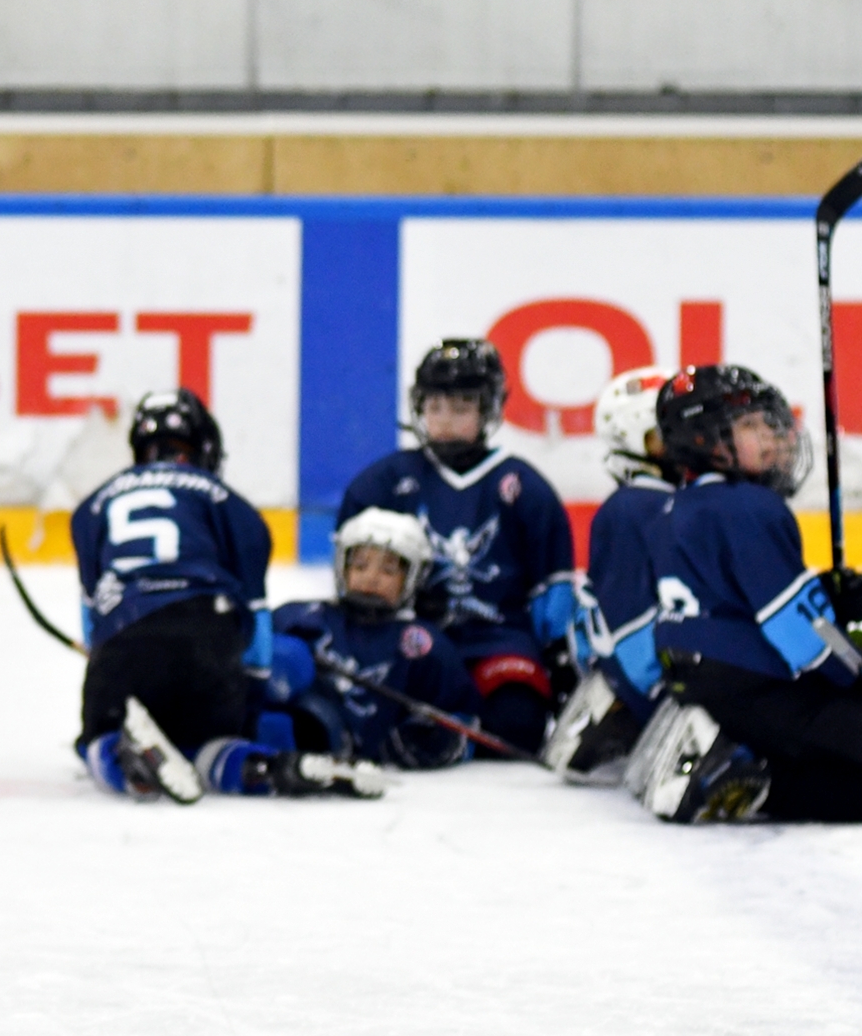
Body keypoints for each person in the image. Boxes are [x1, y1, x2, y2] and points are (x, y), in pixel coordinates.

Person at [71, 389, 384, 802]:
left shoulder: (91, 507)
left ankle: (124, 754)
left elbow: (93, 621)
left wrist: (109, 665)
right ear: (206, 450)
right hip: (208, 628)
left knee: (94, 738)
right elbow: (255, 617)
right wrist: (246, 696)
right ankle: (267, 766)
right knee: (212, 740)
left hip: (125, 633)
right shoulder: (229, 503)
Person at [634, 364, 862, 823]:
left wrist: (824, 590)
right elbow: (802, 635)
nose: (773, 438)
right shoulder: (750, 506)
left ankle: (743, 767)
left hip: (697, 680)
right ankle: (732, 772)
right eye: (751, 426)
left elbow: (727, 597)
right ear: (703, 440)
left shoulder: (673, 507)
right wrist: (853, 670)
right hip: (760, 685)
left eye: (769, 424)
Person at [338, 339, 577, 754]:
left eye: (461, 409)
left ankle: (450, 739)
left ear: (488, 411)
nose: (445, 421)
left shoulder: (523, 487)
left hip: (497, 644)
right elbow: (351, 576)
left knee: (516, 725)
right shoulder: (383, 482)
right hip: (410, 641)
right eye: (435, 408)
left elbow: (551, 592)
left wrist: (557, 664)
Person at [267, 507, 482, 768]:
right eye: (359, 565)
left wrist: (435, 740)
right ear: (341, 566)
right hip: (299, 746)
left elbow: (462, 720)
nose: (371, 578)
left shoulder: (423, 644)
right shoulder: (299, 618)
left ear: (414, 576)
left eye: (388, 571)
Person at [547, 367, 675, 778]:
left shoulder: (654, 502)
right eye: (666, 432)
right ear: (634, 440)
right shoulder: (634, 508)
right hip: (640, 685)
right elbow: (630, 629)